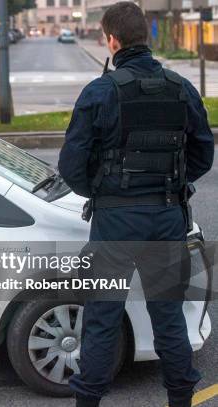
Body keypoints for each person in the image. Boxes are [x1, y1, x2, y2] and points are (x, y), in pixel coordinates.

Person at [58, 3, 214, 407]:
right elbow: (203, 154)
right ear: (146, 37)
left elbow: (71, 166)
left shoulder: (99, 92)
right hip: (166, 217)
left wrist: (103, 190)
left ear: (112, 40)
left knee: (102, 319)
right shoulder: (181, 88)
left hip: (113, 223)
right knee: (168, 318)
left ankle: (88, 401)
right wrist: (173, 183)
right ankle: (181, 400)